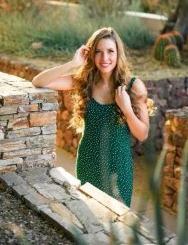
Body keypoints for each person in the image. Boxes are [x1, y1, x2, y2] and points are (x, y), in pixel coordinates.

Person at [32, 27, 149, 207]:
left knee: (117, 226)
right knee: (91, 218)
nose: (105, 58)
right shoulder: (84, 81)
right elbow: (38, 81)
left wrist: (127, 109)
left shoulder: (133, 86)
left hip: (118, 168)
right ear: (90, 55)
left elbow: (143, 134)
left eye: (110, 51)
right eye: (98, 52)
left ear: (119, 53)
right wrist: (72, 64)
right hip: (88, 162)